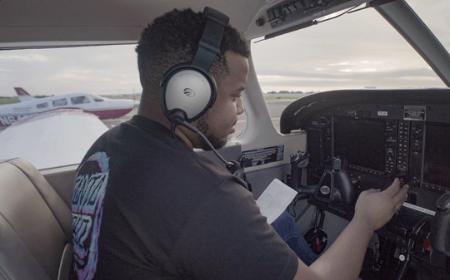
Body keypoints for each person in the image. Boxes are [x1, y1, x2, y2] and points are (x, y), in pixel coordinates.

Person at [71, 7, 408, 280]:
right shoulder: (201, 192)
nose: (239, 110)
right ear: (187, 92)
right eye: (234, 96)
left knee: (282, 225)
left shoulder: (105, 147)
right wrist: (366, 219)